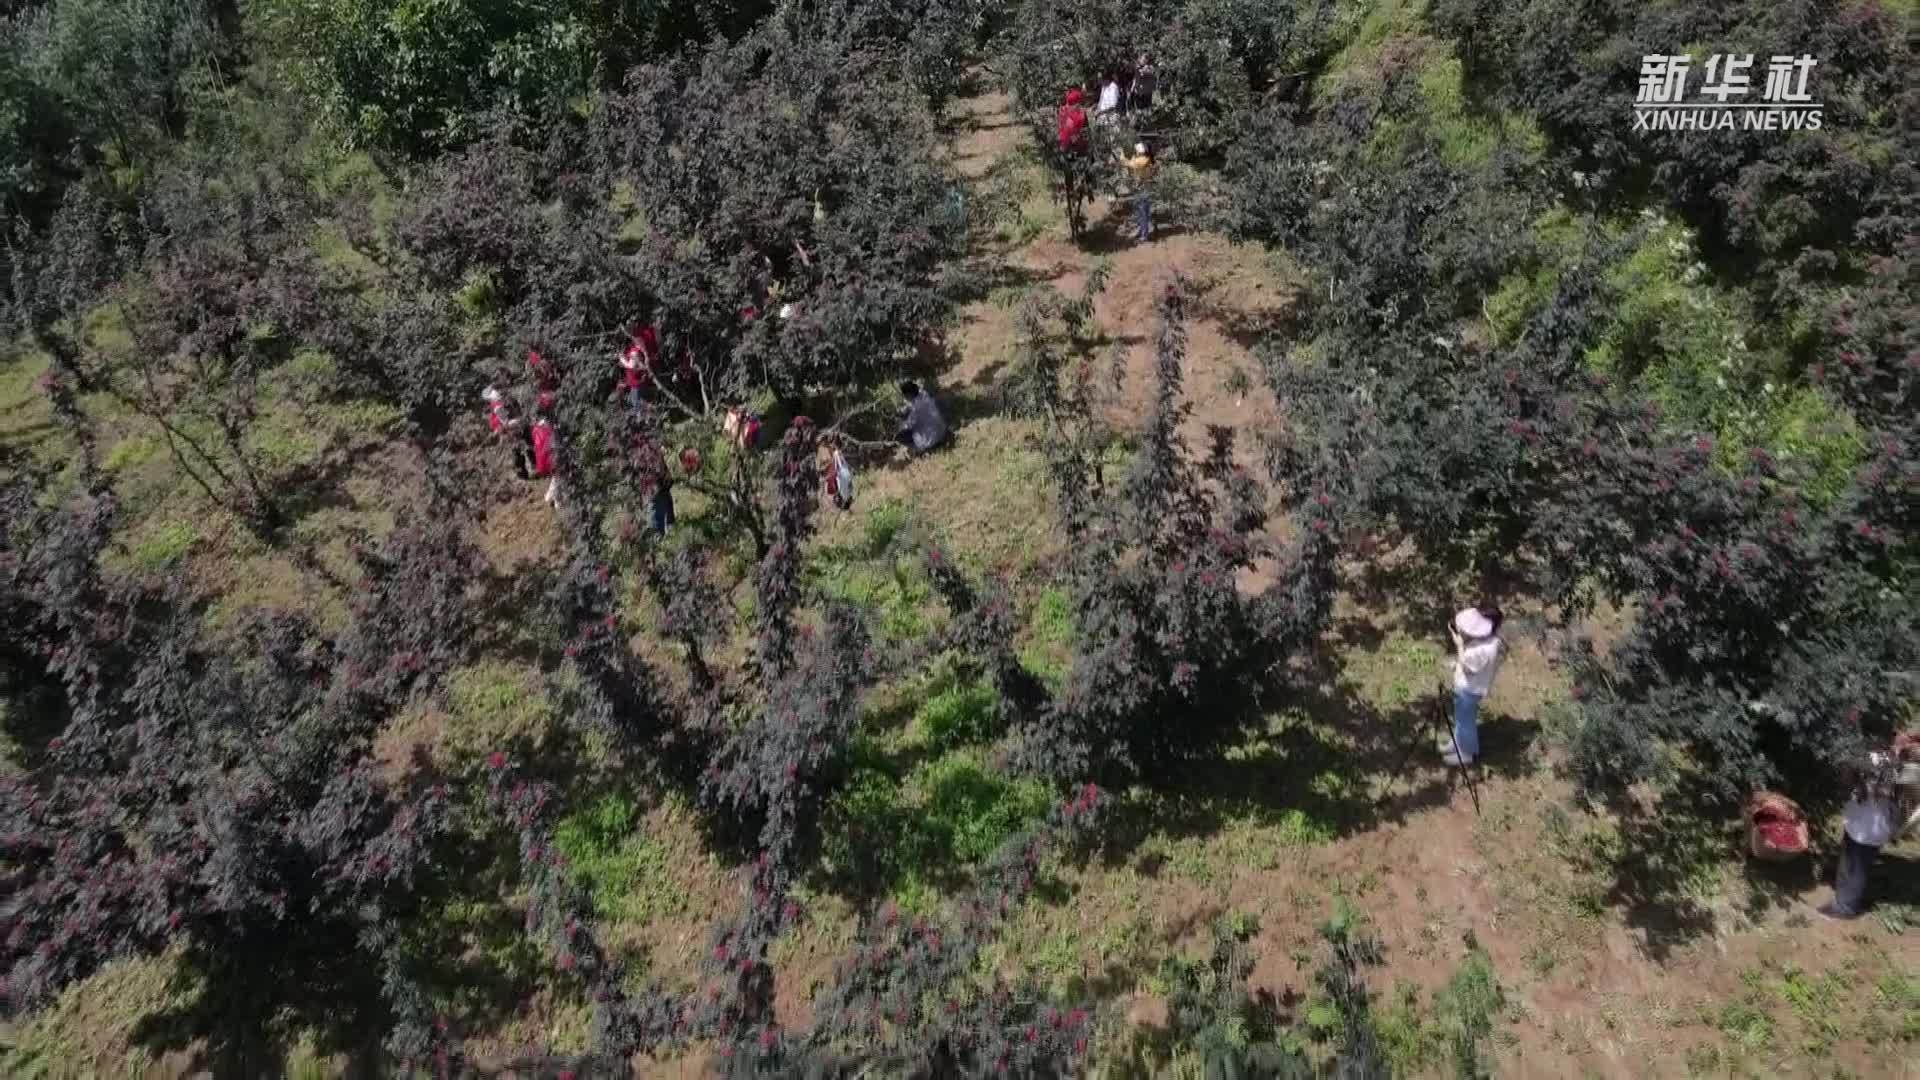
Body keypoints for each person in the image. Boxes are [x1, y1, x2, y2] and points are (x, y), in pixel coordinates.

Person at [1819, 746, 1916, 921]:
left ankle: (1845, 908)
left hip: (1867, 825)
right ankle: (1844, 899)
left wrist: (1861, 785)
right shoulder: (1890, 758)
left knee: (1855, 867)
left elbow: (1853, 780)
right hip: (1868, 822)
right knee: (1851, 862)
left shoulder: (1872, 757)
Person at [1445, 604, 1504, 766]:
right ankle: (1457, 742)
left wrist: (1459, 646)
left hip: (1469, 689)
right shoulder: (1492, 641)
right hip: (1469, 687)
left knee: (1465, 722)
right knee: (1460, 718)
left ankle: (1466, 754)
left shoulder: (1483, 649)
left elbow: (1468, 668)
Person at [483, 385, 533, 479]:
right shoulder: (498, 406)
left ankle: (530, 470)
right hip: (511, 430)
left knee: (524, 448)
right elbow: (505, 423)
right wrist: (518, 421)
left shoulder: (505, 400)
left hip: (515, 427)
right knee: (518, 452)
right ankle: (524, 474)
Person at [896, 380, 949, 455]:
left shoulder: (915, 409)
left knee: (899, 437)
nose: (904, 398)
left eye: (904, 395)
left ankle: (919, 450)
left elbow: (908, 426)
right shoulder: (924, 394)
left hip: (931, 439)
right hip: (941, 432)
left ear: (908, 395)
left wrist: (901, 419)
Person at [1125, 141, 1155, 243]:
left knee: (1142, 213)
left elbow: (1126, 163)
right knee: (1143, 212)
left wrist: (1121, 153)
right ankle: (1142, 231)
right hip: (1145, 188)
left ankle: (1144, 236)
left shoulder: (1140, 161)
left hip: (1142, 190)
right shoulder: (1146, 159)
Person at [531, 412, 560, 507]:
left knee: (556, 477)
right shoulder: (547, 427)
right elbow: (552, 443)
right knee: (558, 477)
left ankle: (549, 496)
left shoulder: (536, 428)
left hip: (545, 459)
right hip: (552, 457)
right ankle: (556, 501)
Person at [1057, 88, 1089, 153]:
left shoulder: (1062, 110)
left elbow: (1060, 125)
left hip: (1063, 142)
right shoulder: (1081, 113)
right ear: (1078, 101)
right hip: (1076, 143)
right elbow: (1086, 129)